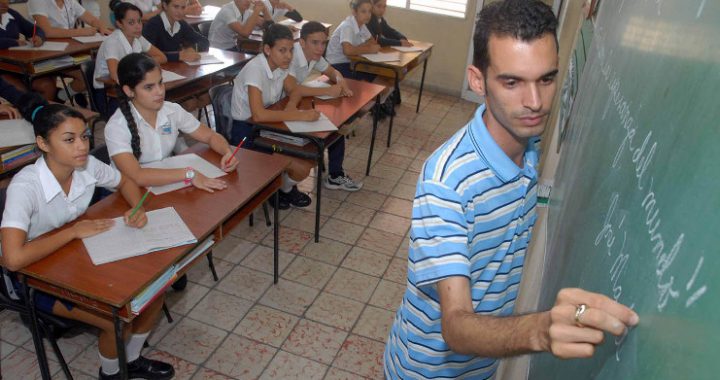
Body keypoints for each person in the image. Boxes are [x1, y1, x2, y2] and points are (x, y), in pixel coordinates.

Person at [383, 1, 640, 379]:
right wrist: (541, 330)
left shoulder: (528, 146)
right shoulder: (445, 183)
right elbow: (455, 325)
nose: (534, 102)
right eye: (512, 82)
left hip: (480, 368)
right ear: (477, 80)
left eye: (546, 79)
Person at [0, 93, 174, 380]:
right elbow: (13, 259)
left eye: (84, 136)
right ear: (43, 143)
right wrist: (73, 232)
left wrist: (137, 207)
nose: (82, 146)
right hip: (35, 277)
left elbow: (126, 182)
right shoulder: (25, 186)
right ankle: (111, 374)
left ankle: (131, 361)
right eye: (69, 140)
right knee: (116, 319)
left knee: (153, 293)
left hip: (76, 254)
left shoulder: (85, 166)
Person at [104, 53, 238, 193]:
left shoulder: (171, 110)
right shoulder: (116, 126)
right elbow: (137, 176)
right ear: (129, 91)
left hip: (164, 183)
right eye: (149, 87)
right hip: (127, 194)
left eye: (160, 83)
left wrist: (227, 152)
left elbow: (209, 136)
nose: (160, 91)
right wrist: (189, 174)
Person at [229, 23, 317, 208]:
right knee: (300, 167)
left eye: (291, 50)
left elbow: (294, 90)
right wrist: (298, 116)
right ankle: (276, 189)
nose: (288, 56)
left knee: (310, 156)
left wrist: (291, 107)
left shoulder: (281, 66)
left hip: (269, 126)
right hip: (246, 132)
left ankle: (282, 188)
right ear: (267, 49)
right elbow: (259, 115)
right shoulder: (256, 69)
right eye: (282, 50)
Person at [288, 21, 362, 192]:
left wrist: (341, 81)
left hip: (295, 102)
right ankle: (288, 184)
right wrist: (330, 89)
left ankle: (335, 175)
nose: (320, 48)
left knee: (336, 125)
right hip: (282, 107)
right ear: (302, 42)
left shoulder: (314, 56)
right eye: (315, 43)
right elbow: (292, 89)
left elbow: (332, 71)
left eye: (323, 43)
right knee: (329, 127)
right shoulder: (291, 56)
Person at [94, 2, 167, 116]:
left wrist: (144, 67)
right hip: (108, 91)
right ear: (119, 24)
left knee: (156, 98)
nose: (138, 26)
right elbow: (114, 75)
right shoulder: (112, 42)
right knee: (149, 99)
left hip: (130, 84)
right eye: (131, 22)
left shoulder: (138, 37)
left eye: (139, 21)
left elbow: (162, 57)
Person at [0, 0, 59, 102]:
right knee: (24, 94)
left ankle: (42, 116)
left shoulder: (11, 14)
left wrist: (38, 37)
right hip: (2, 69)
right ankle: (27, 113)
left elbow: (34, 29)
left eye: (7, 1)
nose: (5, 4)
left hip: (19, 66)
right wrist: (14, 42)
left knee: (48, 86)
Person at [325, 0, 380, 82]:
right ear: (354, 12)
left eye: (369, 12)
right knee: (369, 80)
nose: (367, 15)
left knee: (375, 74)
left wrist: (356, 48)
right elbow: (347, 51)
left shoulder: (362, 25)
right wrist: (368, 49)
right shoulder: (347, 26)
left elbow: (373, 42)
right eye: (363, 11)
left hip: (350, 61)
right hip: (336, 65)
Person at [142, 0, 209, 62]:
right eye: (176, 7)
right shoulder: (153, 25)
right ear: (165, 6)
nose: (180, 12)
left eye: (183, 7)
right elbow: (147, 55)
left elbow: (204, 41)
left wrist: (192, 49)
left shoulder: (181, 24)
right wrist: (178, 56)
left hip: (175, 67)